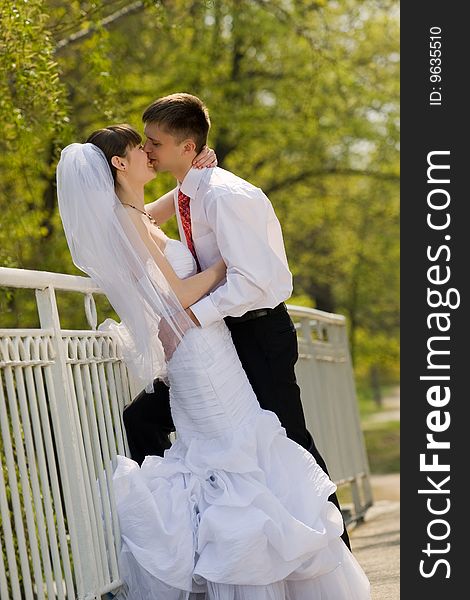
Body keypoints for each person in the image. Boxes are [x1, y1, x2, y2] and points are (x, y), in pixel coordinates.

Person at [56, 125, 371, 599]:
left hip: (209, 347)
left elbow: (166, 205)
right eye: (140, 149)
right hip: (200, 356)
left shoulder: (133, 212)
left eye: (153, 145)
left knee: (241, 456)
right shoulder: (127, 220)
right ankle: (253, 572)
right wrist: (226, 264)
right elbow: (181, 294)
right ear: (120, 164)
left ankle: (274, 570)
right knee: (232, 459)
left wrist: (196, 169)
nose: (148, 154)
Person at [126, 92, 351, 550]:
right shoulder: (194, 186)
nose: (147, 150)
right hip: (219, 339)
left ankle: (336, 551)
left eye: (156, 143)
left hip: (258, 331)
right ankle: (184, 543)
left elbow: (250, 283)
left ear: (187, 148)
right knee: (145, 419)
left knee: (289, 440)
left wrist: (189, 317)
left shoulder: (226, 195)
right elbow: (139, 217)